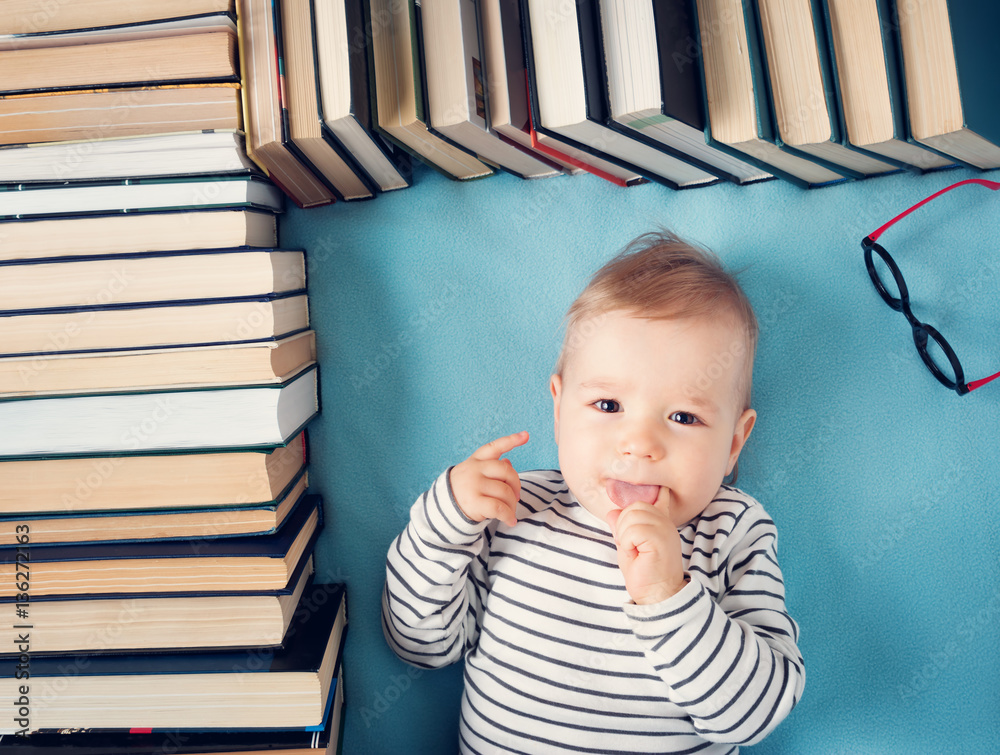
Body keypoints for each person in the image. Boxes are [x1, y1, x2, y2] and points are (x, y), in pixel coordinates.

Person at [382, 230, 804, 754]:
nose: (639, 443)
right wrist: (441, 529)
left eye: (684, 416)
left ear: (734, 442)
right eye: (608, 406)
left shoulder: (733, 530)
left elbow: (754, 716)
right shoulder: (516, 510)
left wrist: (668, 597)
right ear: (559, 411)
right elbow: (421, 646)